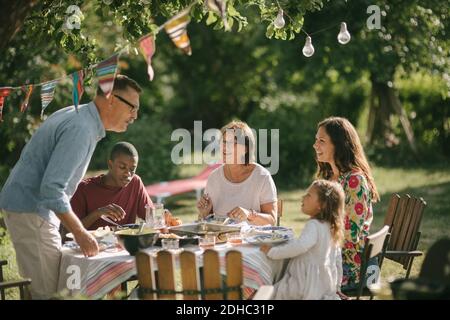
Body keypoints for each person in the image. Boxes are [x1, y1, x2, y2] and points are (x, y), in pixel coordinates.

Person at [0, 74, 142, 299]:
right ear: (111, 99)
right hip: (32, 210)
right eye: (132, 107)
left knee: (42, 290)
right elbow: (52, 189)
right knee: (48, 295)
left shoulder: (79, 115)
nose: (135, 115)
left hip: (28, 209)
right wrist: (80, 233)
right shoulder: (82, 128)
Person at [313, 116, 380, 289]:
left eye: (322, 141)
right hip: (332, 257)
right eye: (316, 140)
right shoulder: (329, 178)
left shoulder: (354, 181)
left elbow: (351, 234)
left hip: (351, 265)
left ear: (339, 144)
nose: (315, 146)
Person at [260, 180, 345, 300]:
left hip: (303, 285)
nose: (303, 197)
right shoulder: (331, 227)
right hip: (324, 285)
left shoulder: (314, 225)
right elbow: (337, 260)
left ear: (321, 205)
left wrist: (272, 251)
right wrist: (337, 287)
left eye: (308, 195)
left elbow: (300, 246)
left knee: (269, 293)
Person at [196, 120, 277, 226]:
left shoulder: (262, 177)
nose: (225, 147)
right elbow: (207, 221)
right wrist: (204, 213)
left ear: (245, 148)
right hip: (222, 240)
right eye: (223, 142)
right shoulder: (214, 177)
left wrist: (249, 214)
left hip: (252, 240)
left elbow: (272, 220)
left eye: (231, 143)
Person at [71, 142, 153, 230]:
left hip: (125, 243)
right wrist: (98, 213)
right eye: (122, 167)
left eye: (132, 169)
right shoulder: (84, 188)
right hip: (93, 243)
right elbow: (67, 232)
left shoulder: (135, 183)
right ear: (110, 164)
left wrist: (162, 216)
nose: (128, 174)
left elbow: (152, 219)